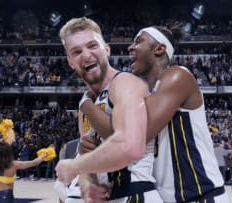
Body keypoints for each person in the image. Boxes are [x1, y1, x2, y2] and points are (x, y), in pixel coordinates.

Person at [79, 25, 228, 202]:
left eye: (139, 41)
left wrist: (85, 103)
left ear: (159, 49)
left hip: (201, 196)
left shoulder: (177, 76)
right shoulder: (144, 94)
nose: (130, 47)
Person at [55, 17, 163, 203]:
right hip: (111, 196)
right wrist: (88, 183)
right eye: (77, 51)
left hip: (137, 193)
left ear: (107, 50)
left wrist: (73, 165)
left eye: (92, 46)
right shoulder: (86, 103)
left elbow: (129, 146)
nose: (86, 55)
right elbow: (87, 160)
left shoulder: (125, 83)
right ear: (70, 61)